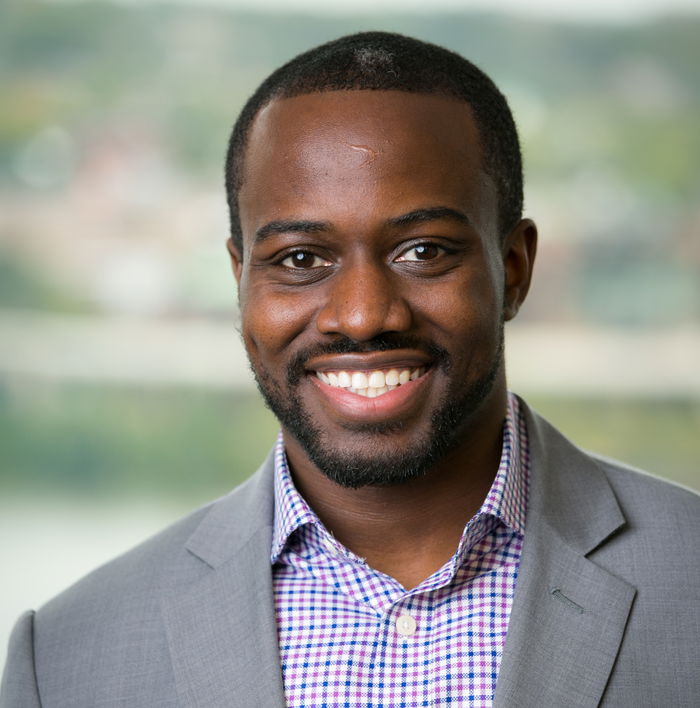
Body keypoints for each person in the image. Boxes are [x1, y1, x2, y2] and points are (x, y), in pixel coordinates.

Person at [2, 31, 699, 708]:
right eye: (301, 260)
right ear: (240, 280)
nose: (364, 316)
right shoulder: (62, 660)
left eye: (423, 251)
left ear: (513, 269)